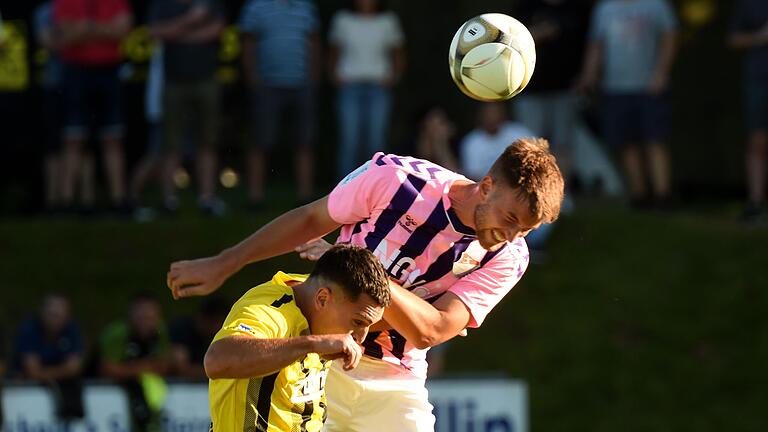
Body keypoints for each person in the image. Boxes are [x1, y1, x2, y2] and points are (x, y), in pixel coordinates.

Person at [167, 139, 564, 431]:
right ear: (488, 185)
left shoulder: (510, 256)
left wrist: (356, 268)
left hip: (395, 380)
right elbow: (310, 219)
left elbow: (433, 328)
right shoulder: (397, 179)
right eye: (510, 218)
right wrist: (226, 262)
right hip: (318, 360)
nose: (512, 234)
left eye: (524, 229)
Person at [205, 244, 390, 431]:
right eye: (357, 322)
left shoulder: (321, 292)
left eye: (369, 325)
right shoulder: (270, 311)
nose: (360, 337)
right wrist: (312, 344)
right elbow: (216, 360)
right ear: (322, 299)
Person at [577, 0, 678, 209]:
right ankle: (639, 195)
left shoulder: (656, 6)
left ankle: (663, 196)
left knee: (655, 139)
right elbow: (596, 45)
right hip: (615, 87)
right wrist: (589, 77)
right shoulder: (604, 9)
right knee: (626, 142)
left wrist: (661, 73)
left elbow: (670, 37)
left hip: (650, 86)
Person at [148, 0, 227, 217]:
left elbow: (216, 30)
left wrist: (177, 33)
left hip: (206, 80)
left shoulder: (209, 3)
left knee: (208, 141)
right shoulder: (164, 5)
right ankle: (169, 201)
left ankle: (207, 199)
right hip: (174, 82)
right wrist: (191, 21)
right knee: (171, 143)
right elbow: (154, 31)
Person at [53, 0, 133, 213]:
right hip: (76, 72)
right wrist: (104, 28)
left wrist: (86, 28)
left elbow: (123, 30)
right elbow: (65, 36)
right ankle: (66, 202)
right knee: (73, 136)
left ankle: (119, 200)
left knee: (113, 136)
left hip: (108, 71)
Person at [239, 0, 321, 207]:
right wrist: (253, 79)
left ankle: (305, 196)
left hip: (302, 84)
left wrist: (313, 79)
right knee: (260, 141)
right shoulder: (255, 7)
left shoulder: (305, 7)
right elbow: (247, 44)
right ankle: (255, 197)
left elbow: (314, 42)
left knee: (304, 141)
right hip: (267, 85)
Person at [514, 0, 592, 199]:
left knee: (564, 145)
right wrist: (538, 33)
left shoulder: (577, 9)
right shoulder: (527, 7)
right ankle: (531, 196)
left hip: (565, 89)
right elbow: (510, 42)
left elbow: (590, 44)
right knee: (530, 147)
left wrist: (585, 77)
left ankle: (560, 199)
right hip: (529, 89)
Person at [329, 0, 406, 179]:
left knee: (376, 140)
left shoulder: (388, 20)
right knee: (350, 139)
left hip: (378, 87)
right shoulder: (343, 20)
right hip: (350, 86)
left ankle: (375, 186)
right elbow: (334, 51)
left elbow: (398, 52)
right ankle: (344, 189)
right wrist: (334, 75)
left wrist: (394, 76)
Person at [99, 294, 171, 431]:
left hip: (149, 391)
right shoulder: (117, 334)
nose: (146, 322)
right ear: (131, 315)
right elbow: (107, 369)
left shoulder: (160, 331)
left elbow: (165, 364)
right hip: (113, 393)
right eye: (141, 317)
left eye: (150, 317)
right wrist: (144, 367)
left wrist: (132, 368)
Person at [13, 294, 85, 419]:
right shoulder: (29, 330)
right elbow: (33, 372)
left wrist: (43, 373)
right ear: (41, 312)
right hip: (26, 397)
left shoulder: (72, 330)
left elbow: (75, 368)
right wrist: (64, 371)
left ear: (67, 315)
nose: (54, 317)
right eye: (51, 313)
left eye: (59, 314)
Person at [728, 0, 768, 222]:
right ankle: (756, 202)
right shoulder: (748, 3)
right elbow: (733, 39)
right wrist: (761, 37)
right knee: (757, 139)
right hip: (758, 79)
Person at [460, 103, 537, 181]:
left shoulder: (518, 132)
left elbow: (538, 154)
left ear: (503, 114)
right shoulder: (471, 142)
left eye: (495, 113)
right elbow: (473, 175)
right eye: (488, 114)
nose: (492, 117)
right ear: (480, 116)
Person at [168, 296, 228, 379]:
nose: (219, 328)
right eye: (218, 323)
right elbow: (181, 368)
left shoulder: (215, 338)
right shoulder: (181, 329)